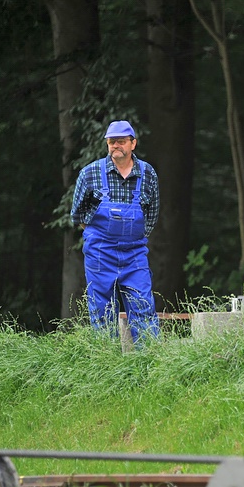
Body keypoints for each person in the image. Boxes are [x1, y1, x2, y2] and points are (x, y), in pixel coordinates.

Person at [70, 120, 160, 345]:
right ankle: (105, 365)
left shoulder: (147, 174)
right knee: (102, 310)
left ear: (133, 143)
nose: (116, 145)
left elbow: (152, 215)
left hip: (135, 253)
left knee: (143, 306)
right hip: (100, 252)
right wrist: (99, 236)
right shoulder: (90, 173)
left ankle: (150, 365)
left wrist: (132, 238)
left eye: (121, 141)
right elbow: (77, 215)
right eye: (111, 141)